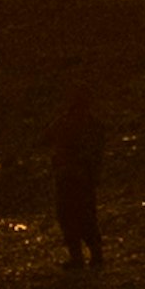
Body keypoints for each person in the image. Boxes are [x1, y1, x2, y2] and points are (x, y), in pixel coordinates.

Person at [49, 76, 105, 271]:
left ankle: (87, 256)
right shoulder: (89, 123)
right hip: (74, 175)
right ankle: (87, 256)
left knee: (76, 216)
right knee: (77, 216)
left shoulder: (78, 123)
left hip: (74, 176)